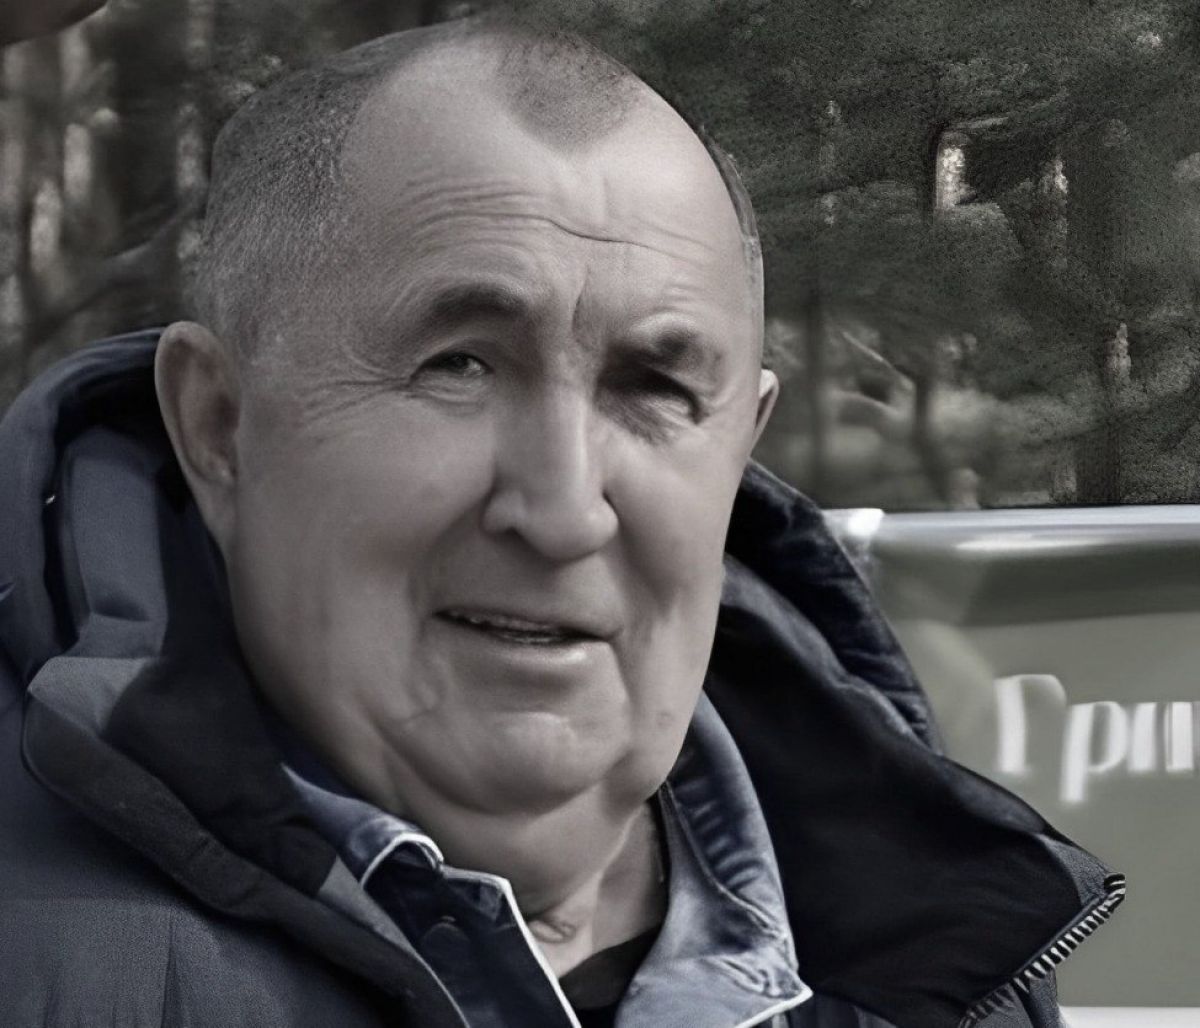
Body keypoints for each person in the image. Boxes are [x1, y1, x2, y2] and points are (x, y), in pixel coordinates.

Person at [0, 16, 1122, 1028]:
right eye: (459, 365)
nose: (564, 510)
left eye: (656, 387)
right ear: (219, 424)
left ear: (743, 446)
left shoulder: (940, 952)